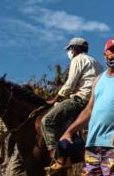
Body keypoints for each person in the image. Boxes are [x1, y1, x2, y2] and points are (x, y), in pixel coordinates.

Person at [59, 37, 114, 176]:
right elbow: (89, 109)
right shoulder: (98, 80)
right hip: (93, 146)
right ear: (105, 54)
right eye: (113, 51)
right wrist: (70, 131)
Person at [42, 37, 103, 173]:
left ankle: (59, 159)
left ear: (74, 49)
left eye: (69, 49)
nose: (69, 52)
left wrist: (55, 99)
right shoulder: (96, 62)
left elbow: (70, 84)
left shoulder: (78, 59)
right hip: (95, 101)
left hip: (80, 99)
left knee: (47, 121)